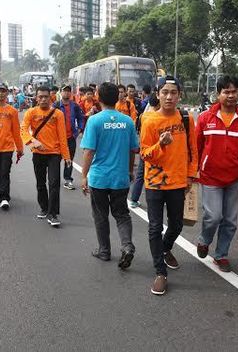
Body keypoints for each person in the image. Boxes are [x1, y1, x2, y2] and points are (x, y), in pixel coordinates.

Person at [195, 76, 238, 272]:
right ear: (218, 94)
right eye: (226, 91)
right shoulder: (204, 119)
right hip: (210, 177)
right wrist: (192, 172)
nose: (231, 95)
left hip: (234, 178)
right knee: (213, 216)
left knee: (230, 221)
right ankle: (204, 240)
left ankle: (221, 255)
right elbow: (196, 148)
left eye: (234, 91)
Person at [140, 76, 198, 295]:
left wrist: (191, 176)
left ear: (179, 95)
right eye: (164, 92)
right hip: (155, 182)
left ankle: (164, 248)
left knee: (177, 225)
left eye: (173, 92)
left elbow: (193, 149)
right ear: (157, 94)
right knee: (155, 226)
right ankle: (160, 272)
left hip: (178, 182)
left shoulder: (185, 118)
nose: (169, 96)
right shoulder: (150, 121)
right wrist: (160, 145)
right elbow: (145, 154)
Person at [80, 82, 139, 268]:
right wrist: (129, 171)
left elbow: (89, 151)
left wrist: (84, 176)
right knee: (122, 214)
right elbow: (133, 150)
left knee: (100, 215)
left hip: (99, 178)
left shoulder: (94, 120)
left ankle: (104, 251)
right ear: (117, 98)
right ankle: (127, 245)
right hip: (120, 177)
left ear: (98, 96)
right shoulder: (128, 121)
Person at [21, 86, 71, 227]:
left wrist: (66, 157)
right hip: (38, 154)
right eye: (40, 97)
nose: (43, 99)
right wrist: (32, 141)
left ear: (51, 98)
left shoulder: (58, 114)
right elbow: (23, 129)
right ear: (36, 98)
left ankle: (53, 214)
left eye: (46, 97)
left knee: (54, 183)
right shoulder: (31, 112)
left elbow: (62, 137)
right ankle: (44, 207)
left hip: (54, 154)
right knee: (40, 183)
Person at [129, 94, 159, 209]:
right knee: (156, 173)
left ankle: (134, 199)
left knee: (140, 175)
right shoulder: (157, 117)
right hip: (156, 149)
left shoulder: (143, 115)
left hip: (144, 148)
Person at [55, 85, 85, 190]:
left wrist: (80, 129)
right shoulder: (56, 106)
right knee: (56, 160)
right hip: (58, 138)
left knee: (69, 159)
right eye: (64, 91)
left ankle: (68, 180)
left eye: (68, 91)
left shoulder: (75, 106)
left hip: (71, 137)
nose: (66, 93)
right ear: (60, 93)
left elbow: (81, 118)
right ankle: (54, 179)